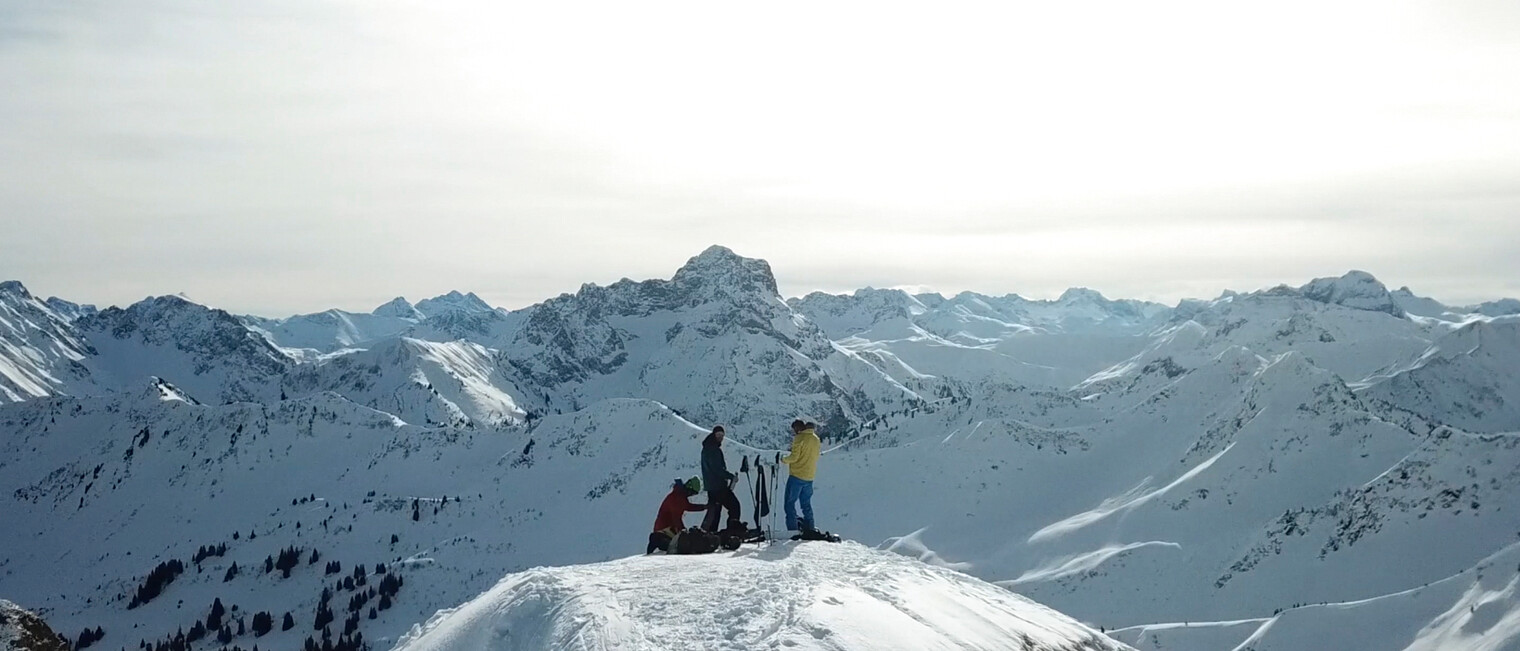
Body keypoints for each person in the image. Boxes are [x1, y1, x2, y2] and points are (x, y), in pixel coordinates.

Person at [700, 426, 744, 532]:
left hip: (711, 487)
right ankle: (732, 531)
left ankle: (710, 534)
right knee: (734, 506)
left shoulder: (707, 448)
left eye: (722, 435)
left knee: (715, 512)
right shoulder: (713, 450)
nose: (721, 437)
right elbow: (717, 469)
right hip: (718, 487)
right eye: (719, 435)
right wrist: (730, 476)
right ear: (714, 435)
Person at [781, 419, 821, 533]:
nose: (794, 432)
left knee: (789, 503)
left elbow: (794, 457)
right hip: (809, 476)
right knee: (806, 504)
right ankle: (810, 527)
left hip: (797, 475)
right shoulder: (816, 438)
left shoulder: (799, 438)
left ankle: (792, 530)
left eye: (794, 429)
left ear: (798, 428)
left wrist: (783, 459)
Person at [647, 477, 706, 554]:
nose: (691, 495)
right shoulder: (677, 498)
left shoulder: (679, 495)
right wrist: (684, 532)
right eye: (692, 493)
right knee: (675, 546)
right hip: (665, 529)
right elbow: (676, 519)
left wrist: (703, 507)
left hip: (664, 528)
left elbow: (687, 506)